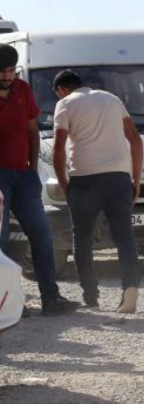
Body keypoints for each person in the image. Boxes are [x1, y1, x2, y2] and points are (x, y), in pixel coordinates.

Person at [51, 69, 143, 313]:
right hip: (119, 177)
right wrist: (136, 180)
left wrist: (64, 184)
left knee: (82, 239)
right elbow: (136, 140)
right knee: (124, 236)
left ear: (61, 89)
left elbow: (58, 150)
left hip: (84, 178)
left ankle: (90, 296)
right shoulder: (112, 99)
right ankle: (130, 288)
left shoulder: (65, 104)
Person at [0, 44, 79, 317]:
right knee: (1, 241)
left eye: (11, 71)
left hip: (24, 176)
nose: (7, 76)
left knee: (42, 235)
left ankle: (51, 298)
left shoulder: (22, 90)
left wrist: (32, 168)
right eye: (2, 71)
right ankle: (8, 303)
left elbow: (32, 130)